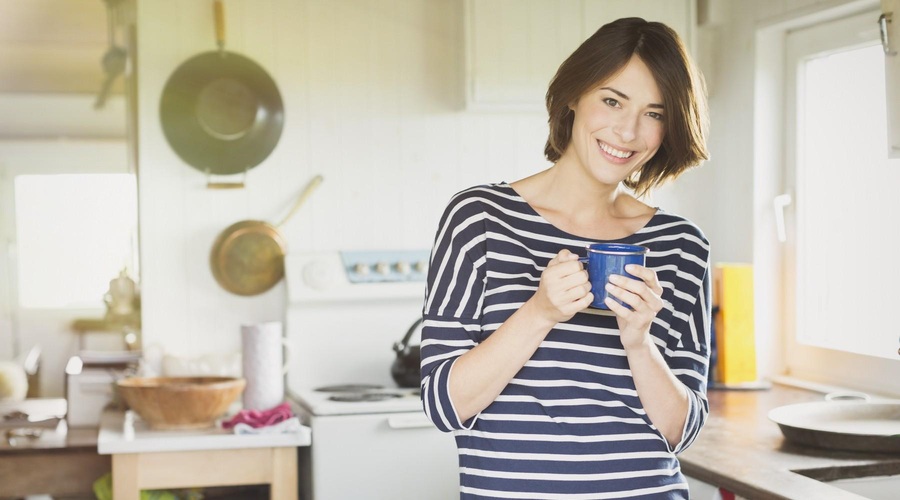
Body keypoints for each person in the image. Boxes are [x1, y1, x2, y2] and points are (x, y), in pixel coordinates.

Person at [420, 17, 711, 499]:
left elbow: (684, 432)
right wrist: (539, 313)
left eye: (654, 113)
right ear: (574, 96)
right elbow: (442, 406)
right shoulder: (480, 219)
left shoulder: (681, 245)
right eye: (612, 100)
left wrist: (640, 343)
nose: (628, 130)